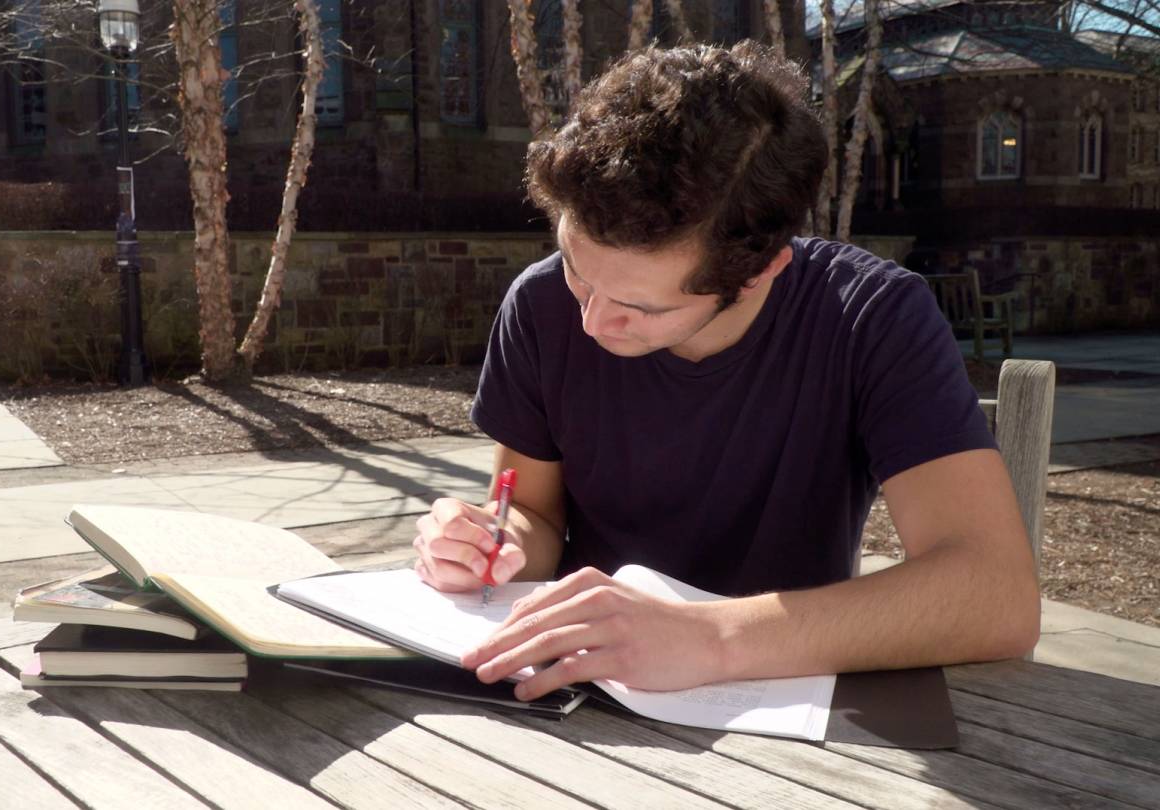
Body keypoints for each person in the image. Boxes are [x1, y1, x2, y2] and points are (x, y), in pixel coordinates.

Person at [412, 42, 1040, 701]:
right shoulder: (540, 305)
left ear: (757, 273)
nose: (592, 320)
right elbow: (534, 517)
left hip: (783, 699)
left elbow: (995, 595)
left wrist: (707, 639)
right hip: (578, 689)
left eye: (636, 305)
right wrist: (490, 540)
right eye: (575, 266)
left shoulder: (872, 319)